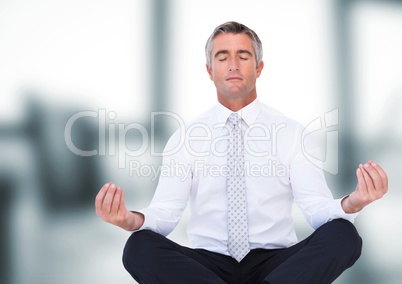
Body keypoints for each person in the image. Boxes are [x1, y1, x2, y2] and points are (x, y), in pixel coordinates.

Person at [95, 21, 388, 283]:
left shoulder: (292, 134)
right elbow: (165, 214)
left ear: (258, 68)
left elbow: (316, 209)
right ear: (210, 71)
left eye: (243, 56)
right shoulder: (185, 138)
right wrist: (127, 219)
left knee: (344, 235)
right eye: (222, 57)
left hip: (276, 264)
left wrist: (354, 202)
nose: (233, 64)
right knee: (138, 246)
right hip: (207, 266)